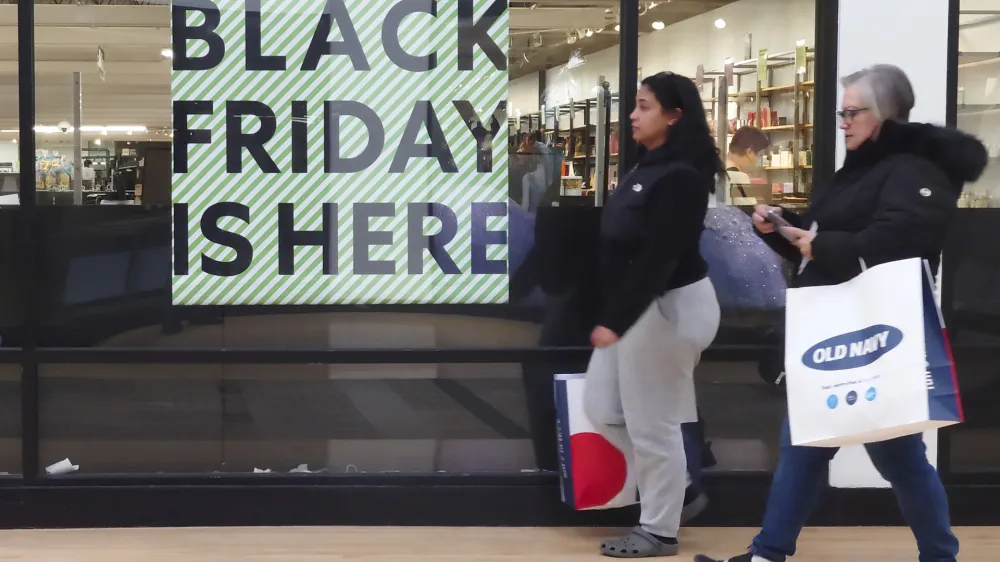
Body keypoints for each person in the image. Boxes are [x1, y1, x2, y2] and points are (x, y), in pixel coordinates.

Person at [694, 64, 988, 562]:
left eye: (854, 113)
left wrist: (820, 244)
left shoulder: (915, 169)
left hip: (875, 333)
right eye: (842, 112)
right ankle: (770, 552)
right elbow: (824, 237)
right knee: (814, 445)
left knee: (892, 458)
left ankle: (936, 555)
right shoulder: (863, 168)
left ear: (885, 115)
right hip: (841, 329)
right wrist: (784, 230)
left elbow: (901, 241)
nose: (844, 123)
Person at [584, 71, 722, 558]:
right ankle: (680, 484)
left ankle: (659, 530)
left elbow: (659, 258)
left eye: (644, 106)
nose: (633, 115)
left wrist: (616, 320)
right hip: (635, 308)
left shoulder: (682, 177)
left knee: (651, 424)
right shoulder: (648, 166)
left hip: (667, 306)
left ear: (674, 116)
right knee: (602, 408)